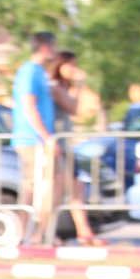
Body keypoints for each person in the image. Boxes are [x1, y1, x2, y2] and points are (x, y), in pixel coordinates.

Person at [50, 51, 106, 246]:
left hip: (65, 144)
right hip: (57, 144)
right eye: (70, 65)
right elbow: (73, 108)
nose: (74, 70)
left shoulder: (63, 87)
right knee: (56, 193)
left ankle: (84, 232)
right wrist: (80, 86)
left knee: (77, 188)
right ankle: (47, 233)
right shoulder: (54, 87)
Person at [11, 31, 59, 244]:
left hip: (37, 140)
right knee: (36, 187)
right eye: (53, 46)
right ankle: (28, 234)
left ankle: (34, 233)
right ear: (45, 47)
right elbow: (29, 106)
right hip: (32, 140)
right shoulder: (29, 71)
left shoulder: (39, 72)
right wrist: (46, 137)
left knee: (38, 187)